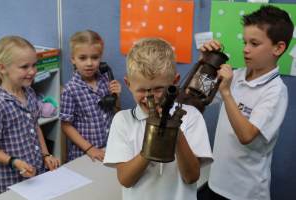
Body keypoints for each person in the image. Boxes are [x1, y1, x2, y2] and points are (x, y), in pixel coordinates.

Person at [201, 5, 294, 200]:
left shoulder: (275, 91)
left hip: (246, 192)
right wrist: (205, 63)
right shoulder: (238, 75)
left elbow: (246, 135)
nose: (245, 49)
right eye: (245, 42)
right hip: (217, 182)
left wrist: (226, 92)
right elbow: (201, 95)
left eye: (254, 43)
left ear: (278, 48)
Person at [103, 37, 213, 200]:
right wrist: (151, 145)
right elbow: (125, 180)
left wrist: (174, 130)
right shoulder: (123, 120)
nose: (150, 98)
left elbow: (192, 177)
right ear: (129, 84)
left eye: (159, 88)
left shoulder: (192, 117)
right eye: (141, 89)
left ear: (175, 82)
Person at [0, 36, 61, 195]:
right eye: (25, 67)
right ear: (3, 68)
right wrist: (14, 162)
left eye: (34, 65)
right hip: (10, 182)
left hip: (36, 174)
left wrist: (45, 155)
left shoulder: (30, 93)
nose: (32, 71)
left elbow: (35, 125)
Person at [60, 30, 122, 163]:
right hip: (83, 154)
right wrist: (90, 149)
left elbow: (115, 112)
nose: (89, 63)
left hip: (107, 149)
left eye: (95, 57)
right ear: (73, 59)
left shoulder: (106, 79)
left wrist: (117, 97)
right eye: (83, 58)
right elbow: (66, 126)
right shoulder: (70, 90)